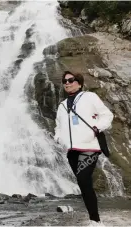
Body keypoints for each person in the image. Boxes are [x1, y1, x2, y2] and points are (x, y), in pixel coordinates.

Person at [54, 71, 113, 226]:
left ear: (79, 83)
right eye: (64, 80)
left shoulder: (89, 97)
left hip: (89, 147)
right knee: (83, 184)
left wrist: (96, 128)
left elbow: (107, 115)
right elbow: (58, 126)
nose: (67, 83)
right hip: (72, 151)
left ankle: (96, 221)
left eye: (70, 80)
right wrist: (58, 138)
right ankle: (94, 219)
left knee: (83, 179)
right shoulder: (61, 106)